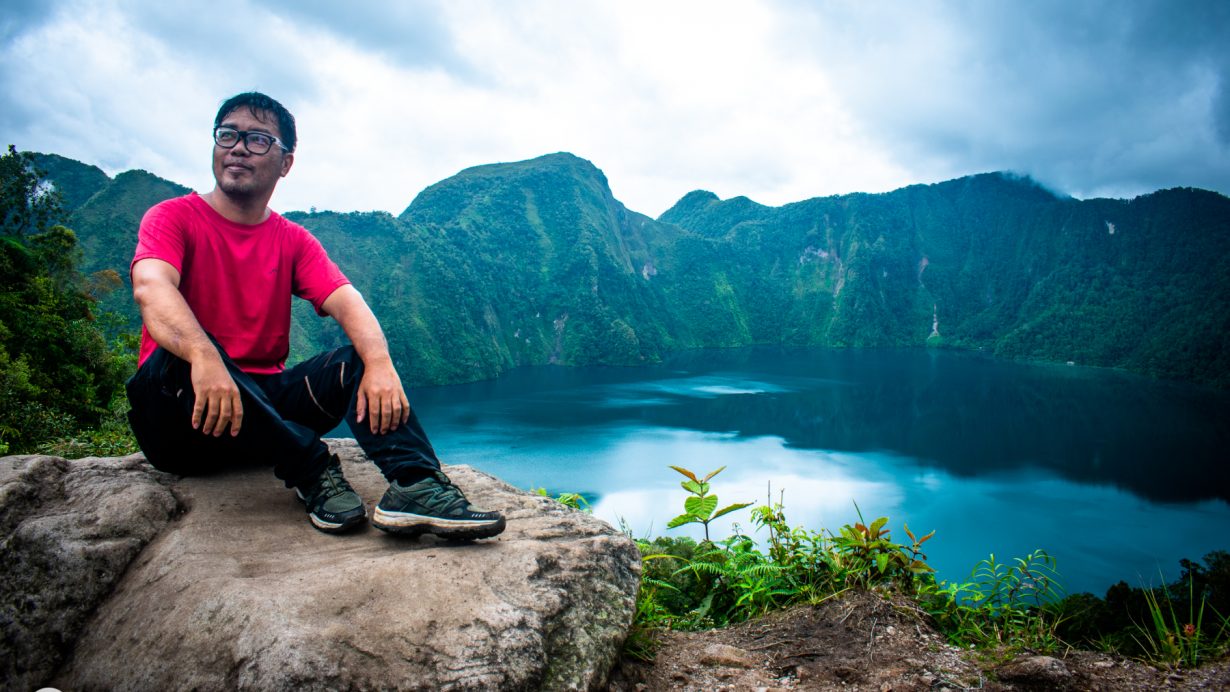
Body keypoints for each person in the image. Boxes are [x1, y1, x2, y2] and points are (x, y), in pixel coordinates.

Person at [125, 92, 505, 539]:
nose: (239, 146)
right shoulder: (172, 218)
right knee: (176, 359)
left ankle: (415, 485)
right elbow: (152, 287)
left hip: (261, 419)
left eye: (258, 139)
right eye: (228, 134)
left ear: (286, 163)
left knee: (357, 361)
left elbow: (347, 301)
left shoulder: (292, 240)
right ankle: (312, 469)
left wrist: (380, 365)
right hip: (183, 420)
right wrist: (203, 357)